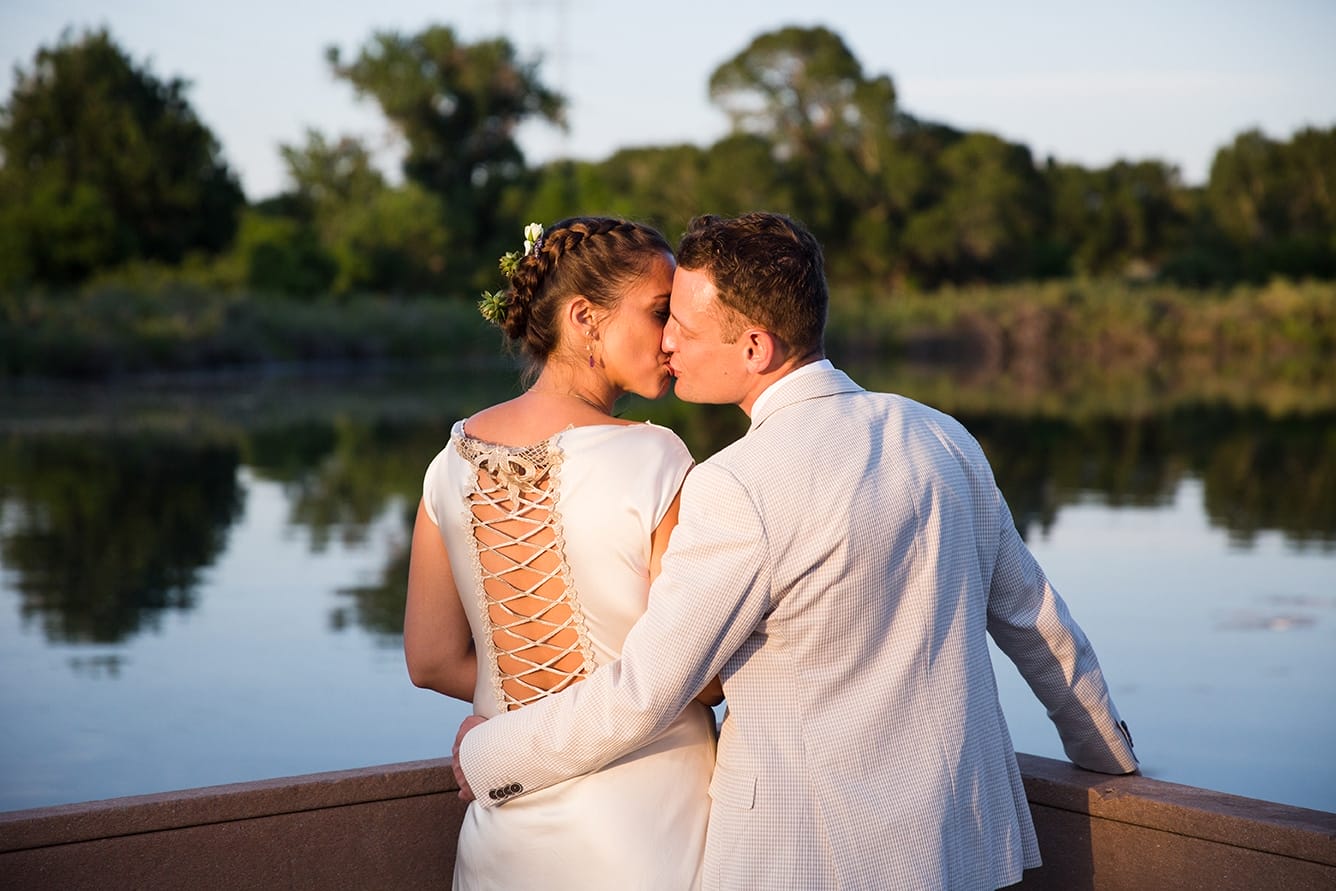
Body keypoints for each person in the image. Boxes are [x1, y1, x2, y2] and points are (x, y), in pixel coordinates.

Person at [452, 211, 1138, 890]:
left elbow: (645, 690)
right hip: (961, 841)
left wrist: (488, 754)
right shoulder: (941, 435)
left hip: (803, 859)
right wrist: (1108, 759)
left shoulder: (734, 485)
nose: (669, 346)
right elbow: (1036, 620)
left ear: (755, 347)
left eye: (684, 329)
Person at [405, 217, 718, 890]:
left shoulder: (448, 461)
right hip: (644, 825)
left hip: (505, 831)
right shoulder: (655, 456)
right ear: (584, 317)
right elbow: (699, 677)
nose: (672, 337)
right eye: (660, 311)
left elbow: (429, 658)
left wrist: (529, 709)